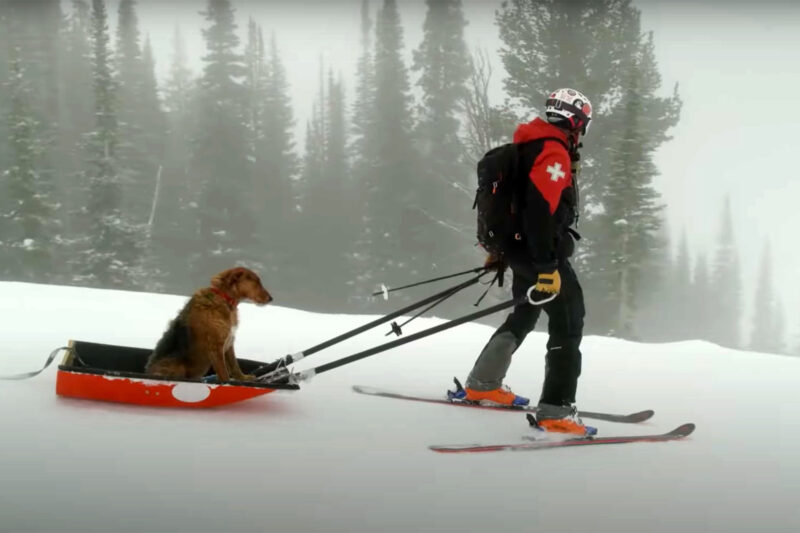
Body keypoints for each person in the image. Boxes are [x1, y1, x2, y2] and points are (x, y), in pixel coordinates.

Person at [451, 88, 593, 435]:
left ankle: (483, 383)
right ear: (575, 123)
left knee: (524, 313)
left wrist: (504, 251)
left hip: (520, 251)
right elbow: (538, 213)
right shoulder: (553, 153)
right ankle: (557, 409)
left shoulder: (528, 146)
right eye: (584, 123)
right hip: (540, 254)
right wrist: (547, 268)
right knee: (568, 321)